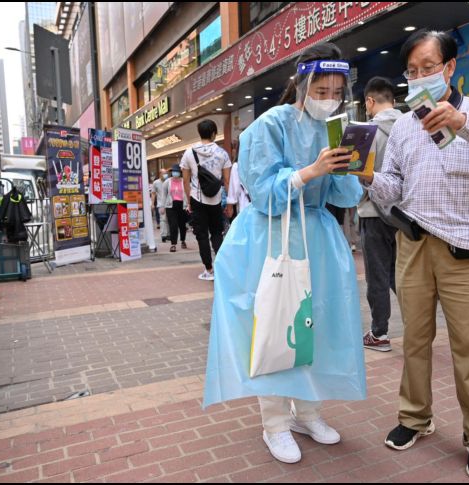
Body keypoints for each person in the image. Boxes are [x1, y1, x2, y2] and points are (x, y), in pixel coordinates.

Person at [358, 30, 469, 481]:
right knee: (414, 339)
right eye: (411, 71)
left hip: (464, 249)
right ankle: (415, 417)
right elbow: (393, 188)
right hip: (413, 245)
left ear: (449, 68)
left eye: (427, 68)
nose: (419, 78)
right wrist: (366, 175)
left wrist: (463, 122)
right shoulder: (404, 125)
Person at [203, 43, 366, 465]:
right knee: (275, 325)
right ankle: (274, 422)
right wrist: (311, 171)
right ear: (302, 84)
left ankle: (307, 413)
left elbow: (345, 195)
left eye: (337, 92)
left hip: (318, 236)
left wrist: (349, 168)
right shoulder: (270, 124)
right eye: (322, 90)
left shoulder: (335, 126)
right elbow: (263, 192)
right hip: (272, 235)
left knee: (315, 325)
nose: (329, 99)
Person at [358, 77, 404, 352]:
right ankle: (418, 324)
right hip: (405, 215)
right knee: (401, 273)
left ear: (370, 101)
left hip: (373, 213)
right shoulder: (412, 127)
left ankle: (379, 333)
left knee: (377, 274)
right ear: (394, 101)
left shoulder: (365, 132)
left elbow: (358, 176)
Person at [180, 120, 231, 281]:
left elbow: (185, 180)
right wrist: (230, 202)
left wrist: (188, 201)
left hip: (197, 198)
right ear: (214, 133)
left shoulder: (189, 153)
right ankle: (222, 267)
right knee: (217, 233)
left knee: (201, 235)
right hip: (216, 199)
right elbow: (227, 181)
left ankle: (209, 270)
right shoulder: (222, 153)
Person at [165, 164, 188, 252]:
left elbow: (188, 193)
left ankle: (183, 240)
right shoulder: (167, 182)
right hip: (171, 205)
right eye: (174, 171)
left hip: (182, 205)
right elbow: (164, 194)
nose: (175, 173)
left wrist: (189, 204)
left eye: (177, 172)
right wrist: (162, 206)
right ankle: (173, 244)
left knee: (182, 225)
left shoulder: (184, 181)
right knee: (173, 225)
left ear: (180, 173)